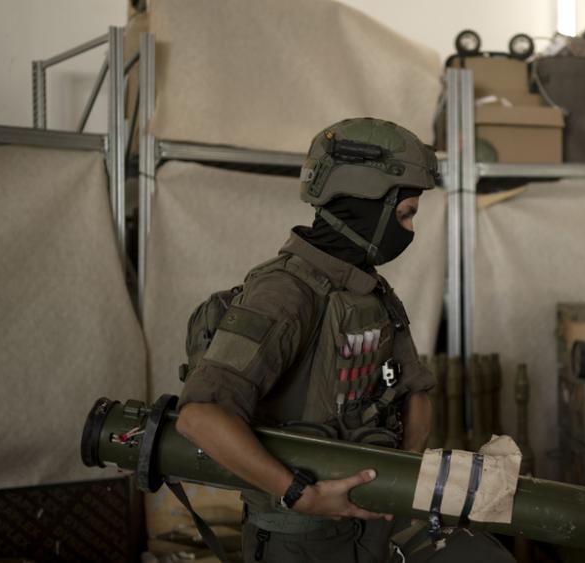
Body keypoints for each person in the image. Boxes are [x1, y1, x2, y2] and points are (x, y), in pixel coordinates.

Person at [176, 117, 438, 563]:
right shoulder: (284, 293)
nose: (410, 231)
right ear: (367, 204)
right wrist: (300, 493)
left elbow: (414, 388)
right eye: (404, 214)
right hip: (301, 539)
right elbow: (200, 416)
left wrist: (401, 480)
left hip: (372, 526)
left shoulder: (370, 290)